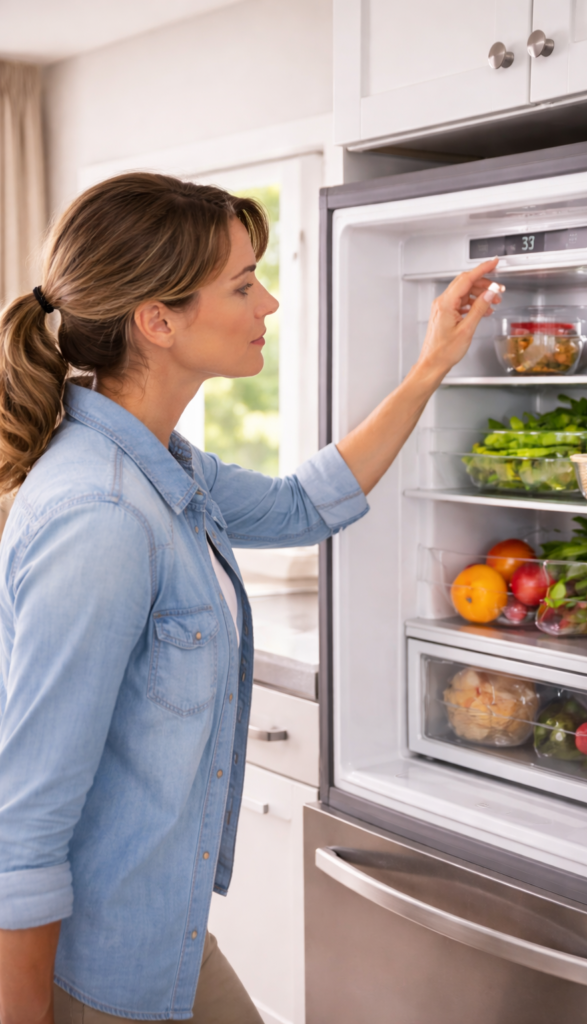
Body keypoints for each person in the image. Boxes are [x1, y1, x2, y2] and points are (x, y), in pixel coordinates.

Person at [0, 172, 500, 1024]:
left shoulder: (166, 467)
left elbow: (302, 504)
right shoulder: (103, 516)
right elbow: (24, 825)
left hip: (162, 937)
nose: (267, 302)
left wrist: (433, 363)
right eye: (242, 285)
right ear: (158, 321)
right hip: (87, 972)